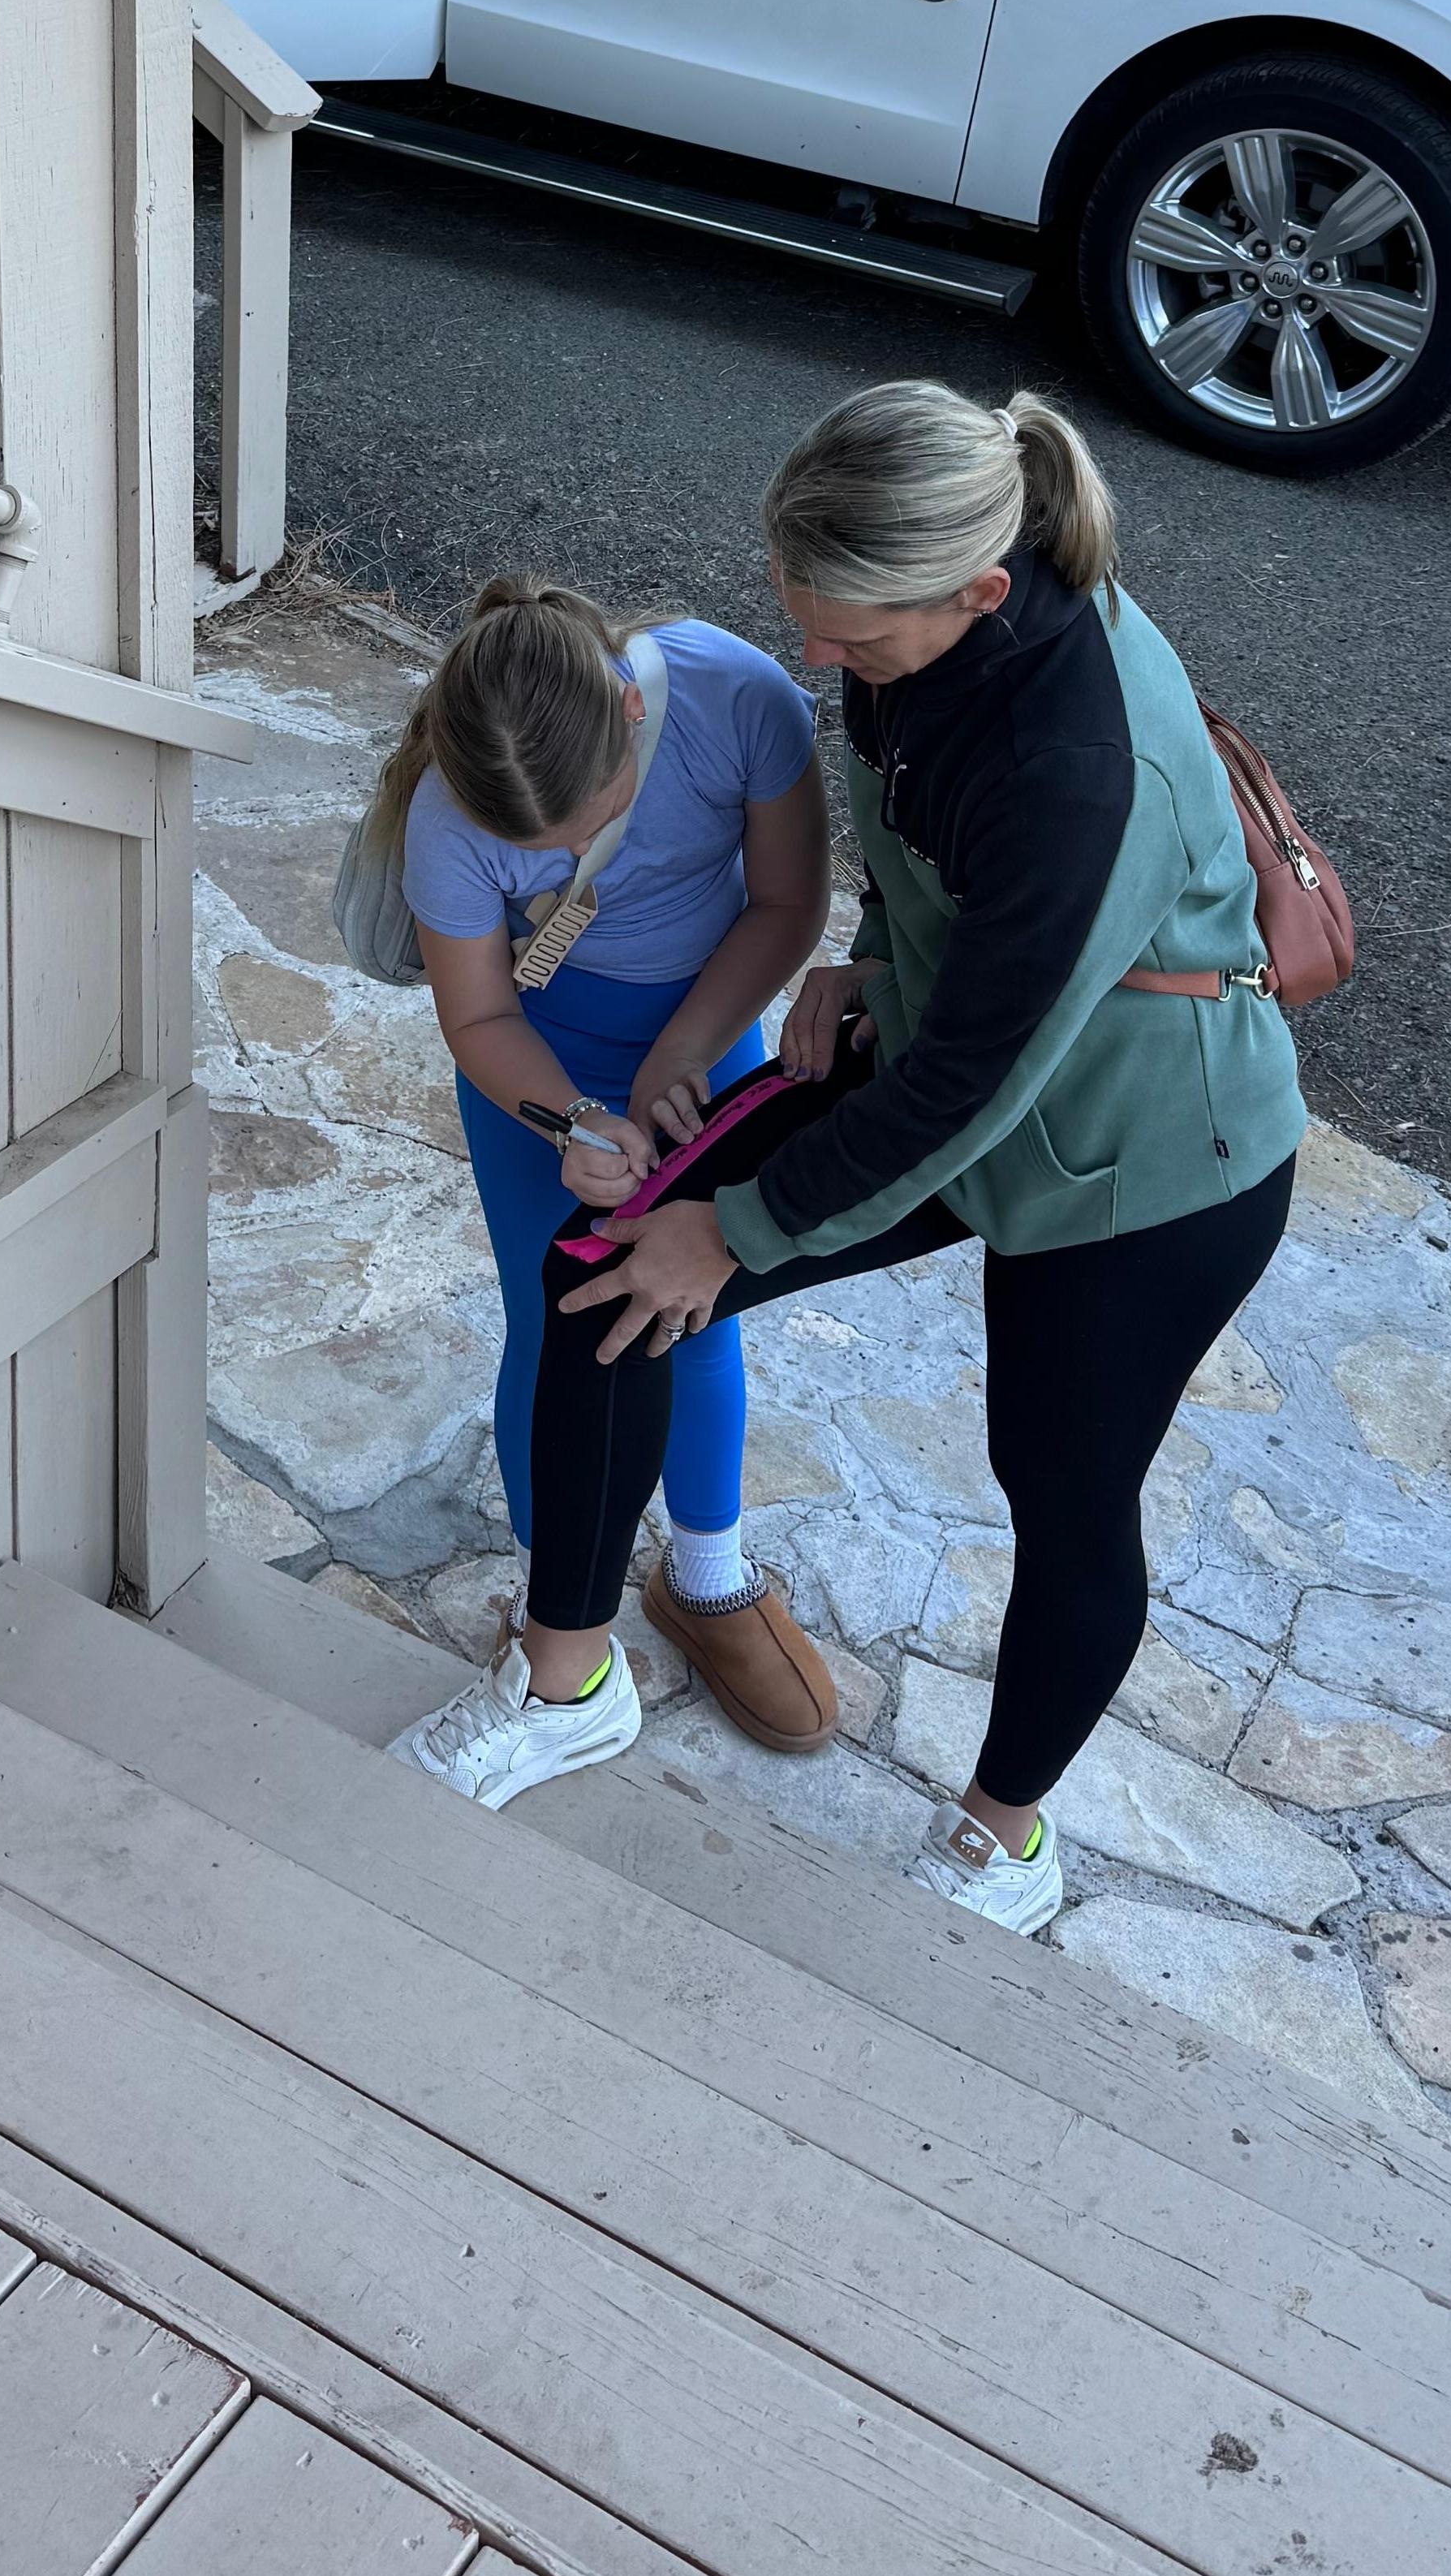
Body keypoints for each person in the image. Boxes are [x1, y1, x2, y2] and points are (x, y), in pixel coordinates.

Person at [453, 380, 1302, 1934]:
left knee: (1062, 1488)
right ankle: (566, 1681)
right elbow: (938, 882)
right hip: (951, 1043)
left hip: (1144, 1161)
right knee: (606, 1275)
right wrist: (865, 948)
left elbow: (980, 1084)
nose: (820, 665)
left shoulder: (1078, 764)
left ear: (980, 592)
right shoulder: (915, 623)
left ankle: (1005, 1840)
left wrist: (744, 1224)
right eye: (805, 621)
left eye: (851, 640)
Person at [370, 577, 842, 1784]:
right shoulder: (446, 809)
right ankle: (556, 1605)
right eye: (543, 853)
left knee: (695, 1303)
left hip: (713, 1012)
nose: (578, 855)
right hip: (540, 1051)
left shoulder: (737, 696)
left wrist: (689, 1049)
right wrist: (571, 1116)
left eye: (594, 821)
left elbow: (790, 901)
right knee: (559, 1316)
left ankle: (710, 1576)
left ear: (633, 709)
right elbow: (475, 1013)